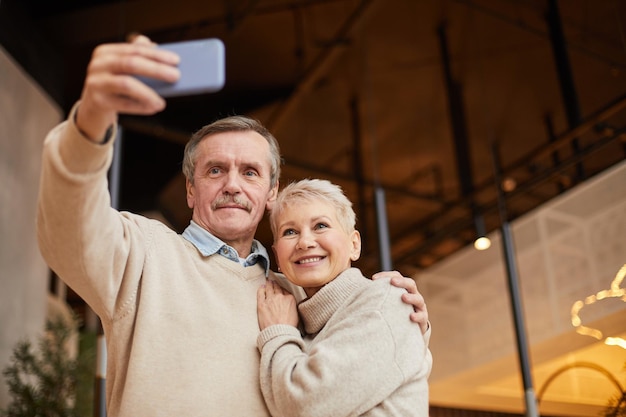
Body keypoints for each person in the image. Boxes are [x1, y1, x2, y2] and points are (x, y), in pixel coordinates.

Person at [36, 35, 430, 416]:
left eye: (250, 172)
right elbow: (68, 228)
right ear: (191, 189)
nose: (232, 185)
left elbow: (355, 371)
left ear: (271, 192)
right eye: (215, 170)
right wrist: (90, 124)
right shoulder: (143, 254)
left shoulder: (298, 293)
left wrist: (407, 327)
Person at [257, 179, 431, 417]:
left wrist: (278, 333)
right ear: (277, 256)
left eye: (320, 226)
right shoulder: (306, 323)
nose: (305, 242)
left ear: (354, 245)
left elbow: (304, 406)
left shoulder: (384, 302)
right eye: (290, 232)